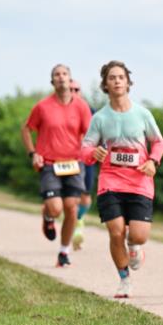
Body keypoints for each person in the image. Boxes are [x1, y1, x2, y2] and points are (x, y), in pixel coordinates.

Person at [80, 61, 163, 299]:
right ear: (105, 84)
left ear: (128, 82)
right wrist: (92, 153)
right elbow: (85, 148)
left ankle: (135, 247)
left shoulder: (142, 114)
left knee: (138, 235)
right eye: (112, 78)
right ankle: (124, 279)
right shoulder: (100, 118)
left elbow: (158, 142)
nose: (117, 81)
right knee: (116, 231)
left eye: (121, 77)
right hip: (110, 182)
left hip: (139, 182)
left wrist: (153, 162)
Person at [22, 64, 93, 267]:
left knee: (71, 209)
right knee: (55, 208)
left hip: (74, 163)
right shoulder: (43, 106)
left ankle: (64, 251)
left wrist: (91, 153)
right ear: (52, 81)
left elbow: (89, 134)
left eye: (64, 74)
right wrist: (33, 153)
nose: (61, 77)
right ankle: (48, 215)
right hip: (49, 164)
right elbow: (27, 130)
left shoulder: (81, 106)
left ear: (70, 80)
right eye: (56, 75)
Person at [70, 79, 95, 251]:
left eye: (76, 89)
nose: (73, 92)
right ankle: (74, 224)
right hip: (68, 159)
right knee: (71, 196)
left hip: (87, 159)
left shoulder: (90, 111)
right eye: (70, 89)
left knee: (85, 197)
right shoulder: (59, 109)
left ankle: (78, 219)